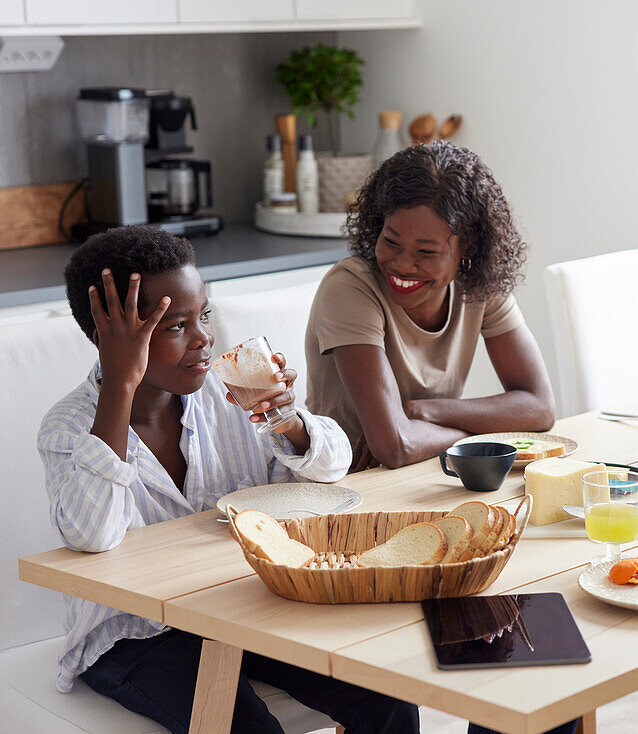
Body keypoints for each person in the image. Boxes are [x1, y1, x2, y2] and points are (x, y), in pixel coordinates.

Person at [38, 226, 419, 734]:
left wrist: (288, 420)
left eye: (205, 316)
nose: (204, 339)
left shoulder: (228, 395)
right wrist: (120, 384)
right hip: (133, 636)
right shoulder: (67, 427)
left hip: (237, 608)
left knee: (386, 696)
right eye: (177, 325)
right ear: (107, 338)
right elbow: (93, 534)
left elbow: (333, 468)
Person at [305, 141, 556, 470]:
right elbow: (395, 445)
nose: (402, 264)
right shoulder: (351, 288)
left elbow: (540, 408)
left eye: (426, 252)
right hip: (350, 487)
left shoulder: (478, 285)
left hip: (430, 474)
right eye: (391, 241)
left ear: (468, 249)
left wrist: (426, 413)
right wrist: (477, 434)